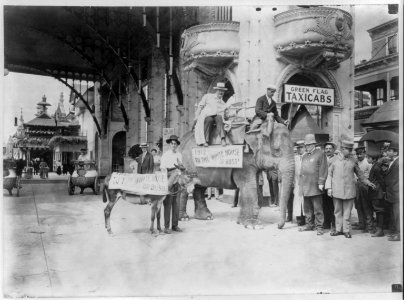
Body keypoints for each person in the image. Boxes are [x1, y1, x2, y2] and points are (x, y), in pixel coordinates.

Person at [325, 140, 375, 239]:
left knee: (347, 212)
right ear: (343, 149)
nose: (351, 151)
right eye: (349, 149)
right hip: (337, 190)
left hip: (349, 190)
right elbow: (329, 175)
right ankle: (338, 230)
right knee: (337, 211)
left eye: (351, 149)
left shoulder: (353, 161)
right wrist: (329, 188)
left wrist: (368, 183)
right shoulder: (333, 160)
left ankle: (346, 230)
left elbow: (360, 175)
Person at [298, 134, 328, 235]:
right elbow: (302, 171)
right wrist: (301, 185)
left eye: (309, 144)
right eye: (306, 145)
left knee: (318, 209)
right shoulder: (305, 156)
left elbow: (323, 169)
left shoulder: (320, 154)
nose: (307, 147)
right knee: (307, 208)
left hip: (315, 186)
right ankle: (309, 225)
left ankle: (319, 227)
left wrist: (321, 182)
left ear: (313, 144)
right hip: (305, 186)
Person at [160, 135, 183, 234]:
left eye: (175, 143)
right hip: (168, 177)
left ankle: (175, 225)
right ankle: (166, 226)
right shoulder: (166, 155)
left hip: (177, 177)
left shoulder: (179, 154)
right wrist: (166, 180)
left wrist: (180, 175)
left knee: (176, 203)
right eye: (172, 143)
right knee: (168, 203)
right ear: (170, 144)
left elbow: (181, 167)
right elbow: (162, 168)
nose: (173, 145)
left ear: (177, 145)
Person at [193, 82, 228, 147]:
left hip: (217, 117)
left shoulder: (223, 103)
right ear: (216, 90)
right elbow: (200, 106)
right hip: (207, 116)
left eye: (222, 91)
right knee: (209, 120)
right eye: (220, 90)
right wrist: (197, 115)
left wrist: (235, 112)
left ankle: (223, 139)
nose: (221, 92)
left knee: (219, 117)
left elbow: (226, 114)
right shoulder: (208, 96)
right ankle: (206, 140)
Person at [366, 150, 387, 237]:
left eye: (369, 158)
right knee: (378, 211)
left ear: (374, 159)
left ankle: (380, 230)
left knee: (379, 211)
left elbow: (381, 180)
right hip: (375, 192)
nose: (367, 159)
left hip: (377, 192)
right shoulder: (375, 166)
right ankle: (379, 229)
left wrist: (384, 190)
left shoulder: (376, 167)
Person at [353, 147, 373, 232]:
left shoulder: (368, 163)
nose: (359, 155)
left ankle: (369, 226)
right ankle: (361, 223)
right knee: (358, 205)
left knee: (366, 206)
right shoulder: (356, 162)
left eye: (361, 153)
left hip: (365, 185)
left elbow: (370, 176)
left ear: (364, 153)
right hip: (357, 185)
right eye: (357, 154)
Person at [384, 141, 400, 242]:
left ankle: (399, 234)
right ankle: (396, 232)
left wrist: (395, 189)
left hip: (396, 193)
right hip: (393, 193)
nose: (387, 152)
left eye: (389, 150)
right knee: (395, 214)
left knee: (398, 215)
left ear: (395, 153)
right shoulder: (393, 161)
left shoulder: (398, 162)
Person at [323, 141, 337, 233]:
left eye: (330, 149)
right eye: (326, 148)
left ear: (333, 150)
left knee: (332, 206)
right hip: (323, 184)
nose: (328, 150)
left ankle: (334, 225)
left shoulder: (336, 159)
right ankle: (326, 223)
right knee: (324, 205)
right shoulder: (322, 158)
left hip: (332, 184)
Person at [293, 140, 306, 226]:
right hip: (297, 182)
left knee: (305, 200)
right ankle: (299, 219)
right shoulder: (295, 158)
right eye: (298, 148)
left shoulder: (308, 157)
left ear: (305, 147)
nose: (300, 149)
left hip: (306, 182)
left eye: (301, 147)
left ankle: (306, 218)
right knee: (297, 200)